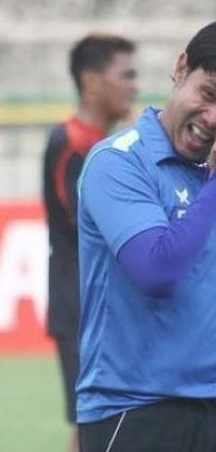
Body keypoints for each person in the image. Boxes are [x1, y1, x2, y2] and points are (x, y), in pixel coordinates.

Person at [75, 19, 216, 452]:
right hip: (135, 413)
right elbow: (158, 271)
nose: (214, 118)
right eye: (208, 94)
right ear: (182, 68)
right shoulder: (119, 163)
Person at [42, 33, 137, 452]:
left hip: (105, 306)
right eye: (126, 75)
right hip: (83, 306)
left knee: (106, 424)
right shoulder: (73, 143)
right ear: (92, 81)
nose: (135, 85)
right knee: (94, 425)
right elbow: (92, 225)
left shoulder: (108, 144)